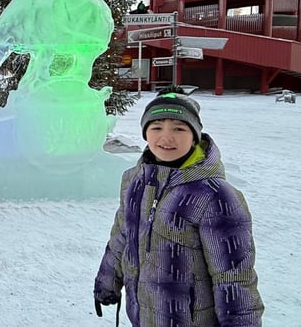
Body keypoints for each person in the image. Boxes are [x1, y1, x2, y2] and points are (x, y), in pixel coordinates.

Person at [94, 86, 264, 326]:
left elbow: (234, 275)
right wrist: (107, 279)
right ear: (145, 133)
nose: (166, 137)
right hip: (143, 315)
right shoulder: (134, 180)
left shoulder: (214, 195)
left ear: (194, 135)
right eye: (156, 127)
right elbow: (123, 234)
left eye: (179, 128)